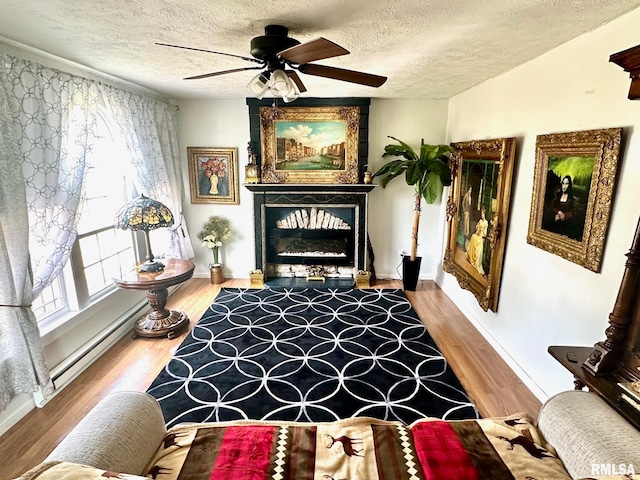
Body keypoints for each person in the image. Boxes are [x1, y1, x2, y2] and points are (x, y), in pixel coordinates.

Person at [467, 207, 488, 275]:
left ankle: (476, 261)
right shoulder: (480, 221)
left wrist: (482, 229)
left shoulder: (485, 222)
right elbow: (477, 229)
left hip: (481, 237)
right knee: (473, 236)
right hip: (478, 235)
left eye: (483, 214)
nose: (482, 215)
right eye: (481, 214)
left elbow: (485, 233)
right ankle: (471, 256)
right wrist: (478, 227)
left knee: (477, 239)